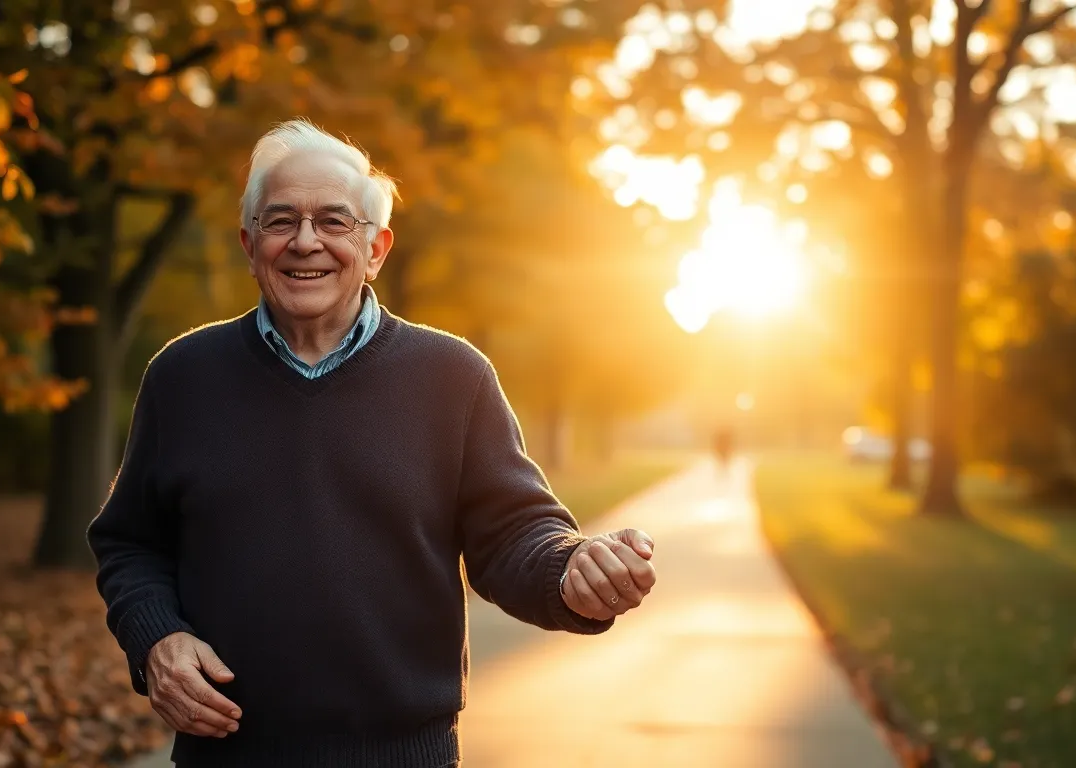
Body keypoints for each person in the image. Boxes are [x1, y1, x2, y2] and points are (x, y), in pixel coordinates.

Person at [87, 119, 658, 767]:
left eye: (335, 221)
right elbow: (131, 542)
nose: (306, 242)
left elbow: (512, 534)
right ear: (249, 245)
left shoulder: (454, 377)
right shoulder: (182, 377)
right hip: (225, 755)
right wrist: (156, 638)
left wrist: (569, 572)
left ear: (377, 248)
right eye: (280, 221)